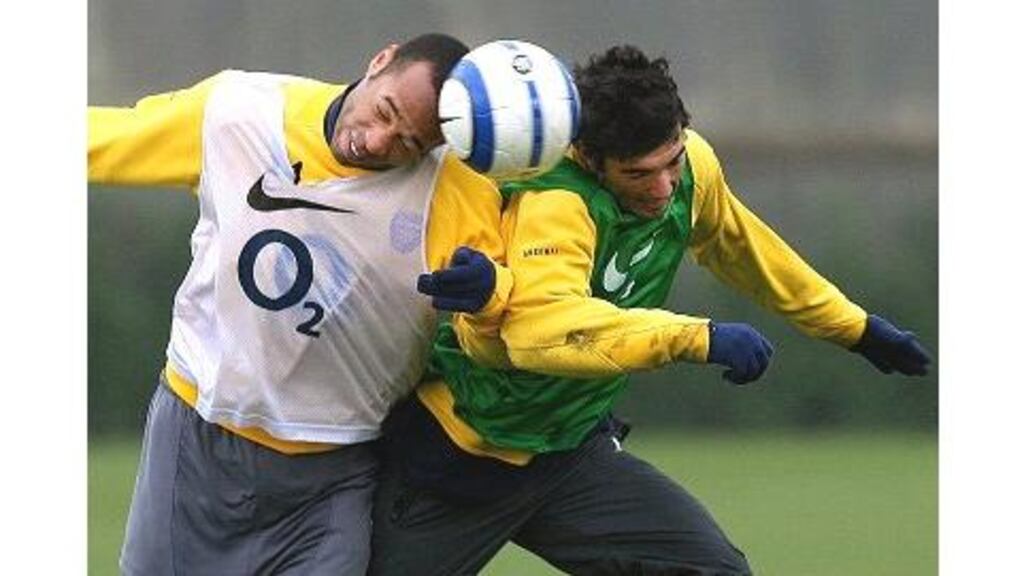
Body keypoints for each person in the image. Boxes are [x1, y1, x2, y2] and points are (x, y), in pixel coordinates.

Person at [369, 45, 932, 575]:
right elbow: (540, 330)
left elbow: (743, 247)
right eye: (638, 174)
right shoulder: (558, 204)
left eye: (671, 162)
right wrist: (696, 338)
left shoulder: (692, 167)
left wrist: (853, 327)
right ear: (590, 158)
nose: (664, 186)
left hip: (571, 455)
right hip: (462, 458)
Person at [88, 33, 509, 575]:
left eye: (409, 141)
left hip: (333, 474)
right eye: (385, 111)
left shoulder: (460, 190)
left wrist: (488, 297)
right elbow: (103, 139)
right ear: (380, 59)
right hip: (196, 439)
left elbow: (497, 328)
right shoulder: (241, 112)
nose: (379, 142)